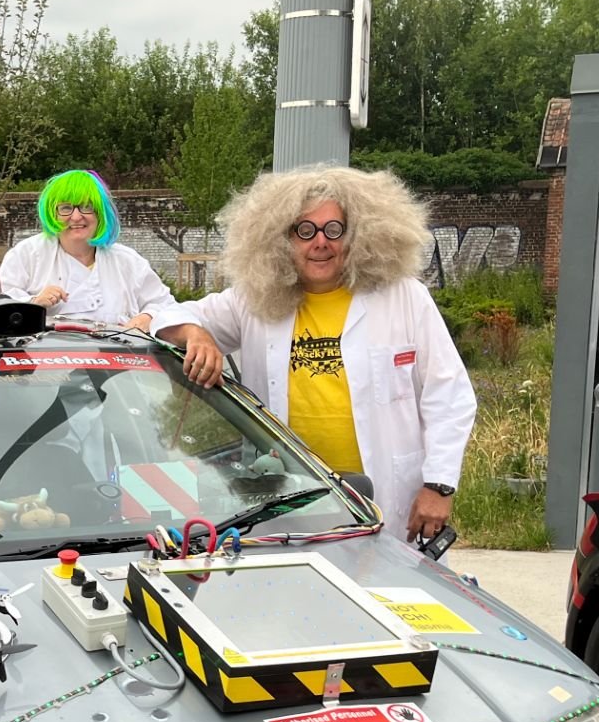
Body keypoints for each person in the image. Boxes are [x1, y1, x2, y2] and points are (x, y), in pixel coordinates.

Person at [155, 167, 476, 544]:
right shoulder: (254, 300)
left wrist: (439, 486)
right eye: (304, 231)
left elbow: (449, 394)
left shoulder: (403, 296)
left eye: (333, 229)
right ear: (281, 239)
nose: (319, 242)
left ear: (357, 234)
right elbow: (165, 315)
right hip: (293, 500)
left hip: (388, 499)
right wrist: (197, 335)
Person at [0, 169, 174, 330]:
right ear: (52, 213)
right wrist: (32, 303)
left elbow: (167, 306)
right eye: (66, 208)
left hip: (116, 371)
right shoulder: (29, 254)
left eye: (86, 207)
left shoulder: (127, 261)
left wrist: (147, 317)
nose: (77, 217)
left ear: (100, 213)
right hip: (45, 371)